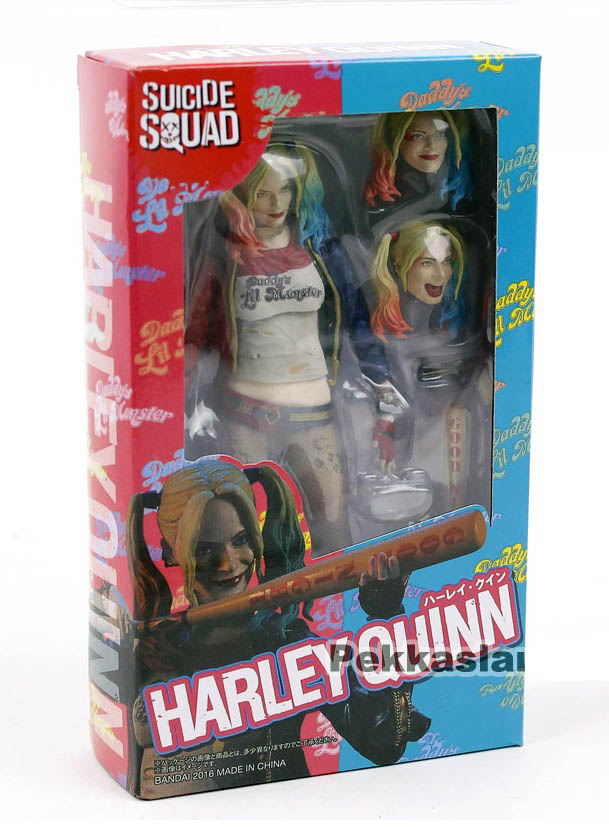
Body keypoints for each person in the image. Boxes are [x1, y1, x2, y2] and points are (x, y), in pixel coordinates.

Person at [128, 458, 430, 798]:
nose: (229, 564)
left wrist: (386, 618)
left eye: (240, 540)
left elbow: (383, 744)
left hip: (286, 808)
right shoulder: (157, 649)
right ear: (171, 551)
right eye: (205, 550)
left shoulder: (286, 641)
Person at [184, 143, 404, 554]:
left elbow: (359, 325)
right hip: (244, 415)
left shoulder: (323, 252)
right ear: (243, 196)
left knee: (333, 527)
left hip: (314, 413)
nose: (276, 204)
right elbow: (196, 335)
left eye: (284, 190)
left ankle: (339, 597)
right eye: (263, 193)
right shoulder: (226, 256)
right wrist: (187, 405)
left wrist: (385, 397)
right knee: (243, 535)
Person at [364, 111, 472, 228]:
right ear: (396, 140)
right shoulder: (384, 194)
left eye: (440, 134)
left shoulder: (457, 189)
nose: (431, 145)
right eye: (417, 136)